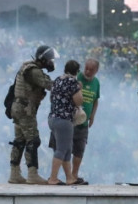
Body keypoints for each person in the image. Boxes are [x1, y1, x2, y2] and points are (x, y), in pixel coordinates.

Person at [9, 45, 56, 185]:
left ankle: (14, 173)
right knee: (33, 140)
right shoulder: (34, 71)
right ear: (43, 59)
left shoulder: (27, 68)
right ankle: (32, 174)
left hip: (17, 107)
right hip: (25, 109)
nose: (51, 62)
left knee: (20, 140)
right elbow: (49, 85)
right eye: (49, 59)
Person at [47, 60, 84, 185]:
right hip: (64, 119)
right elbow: (79, 101)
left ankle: (69, 178)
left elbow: (51, 97)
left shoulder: (57, 80)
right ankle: (53, 178)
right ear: (77, 71)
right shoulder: (73, 82)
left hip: (52, 117)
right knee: (62, 149)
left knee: (67, 149)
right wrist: (80, 89)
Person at [72, 58, 100, 185]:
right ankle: (66, 176)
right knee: (65, 148)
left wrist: (92, 116)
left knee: (79, 149)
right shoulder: (77, 77)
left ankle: (74, 175)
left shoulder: (96, 83)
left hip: (84, 123)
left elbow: (95, 100)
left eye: (91, 70)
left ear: (96, 71)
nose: (87, 72)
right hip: (71, 121)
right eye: (86, 69)